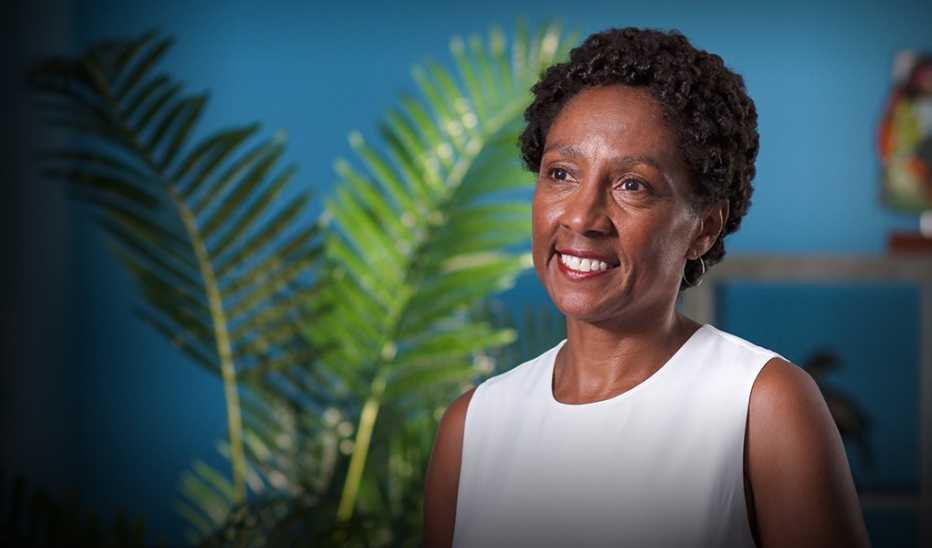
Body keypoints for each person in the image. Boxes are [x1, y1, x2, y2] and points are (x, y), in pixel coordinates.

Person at [423, 27, 871, 548]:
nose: (582, 217)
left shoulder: (762, 407)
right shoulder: (472, 427)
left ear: (703, 228)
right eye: (561, 173)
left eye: (631, 185)